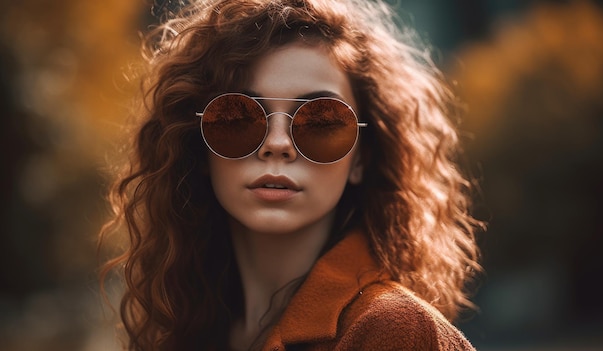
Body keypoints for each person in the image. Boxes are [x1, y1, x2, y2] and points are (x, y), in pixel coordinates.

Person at [99, 0, 483, 350]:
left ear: (361, 158)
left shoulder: (392, 330)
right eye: (237, 115)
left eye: (321, 120)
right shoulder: (187, 332)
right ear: (198, 146)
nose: (278, 143)